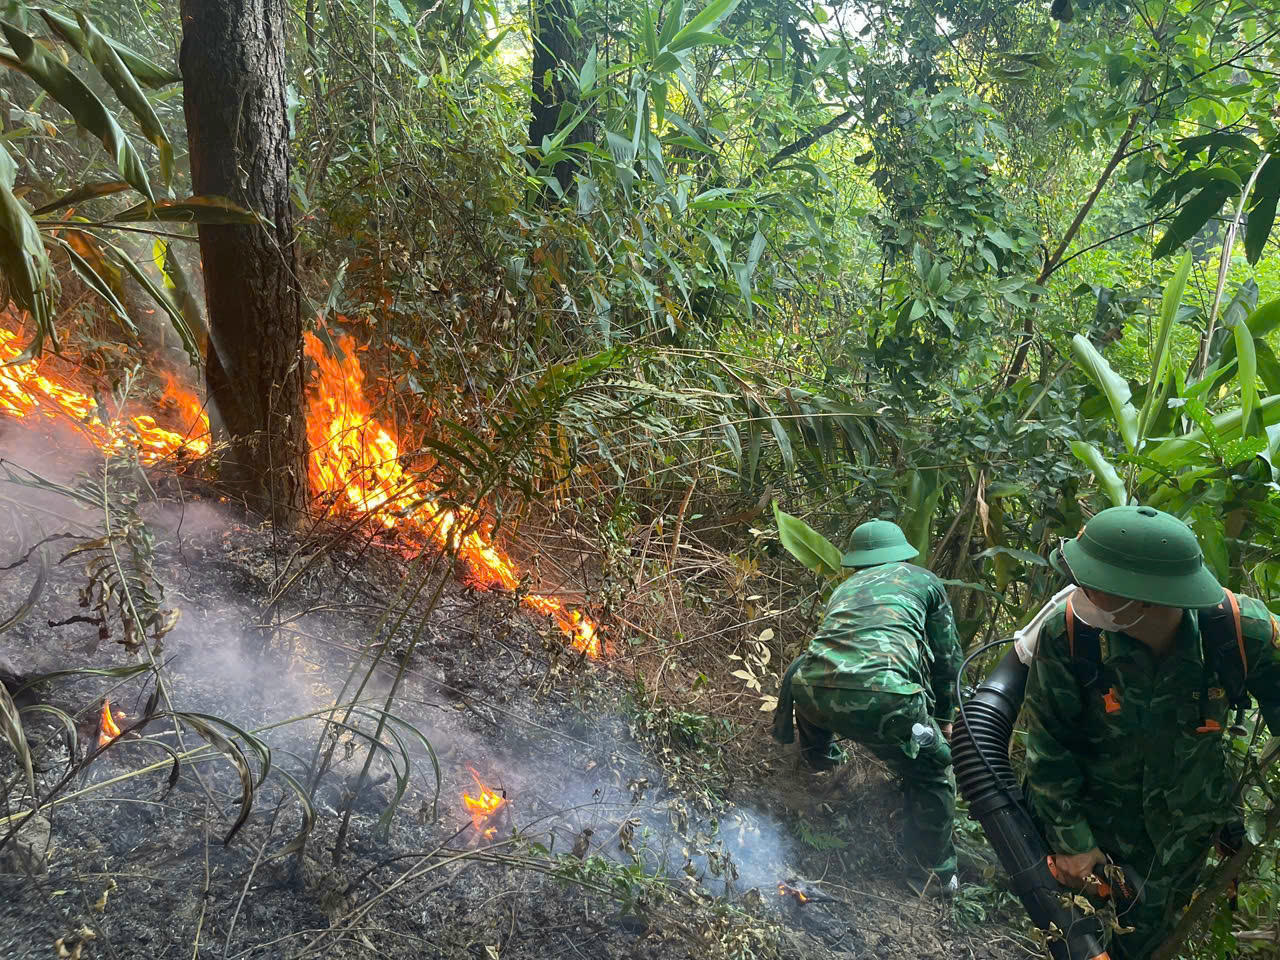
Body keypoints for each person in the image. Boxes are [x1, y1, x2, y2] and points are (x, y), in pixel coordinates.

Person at [1024, 504, 1280, 958]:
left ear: (1143, 597)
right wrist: (1071, 842)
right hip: (1098, 836)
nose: (1079, 591)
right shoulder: (1070, 635)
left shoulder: (1240, 633)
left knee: (1152, 941)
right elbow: (1049, 747)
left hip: (1186, 840)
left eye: (1094, 584)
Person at [773, 518, 964, 896]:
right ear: (904, 553)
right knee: (934, 773)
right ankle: (935, 875)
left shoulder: (844, 589)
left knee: (814, 673)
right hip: (888, 701)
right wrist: (944, 720)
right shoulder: (925, 581)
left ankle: (818, 758)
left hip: (811, 690)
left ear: (857, 561)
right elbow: (947, 660)